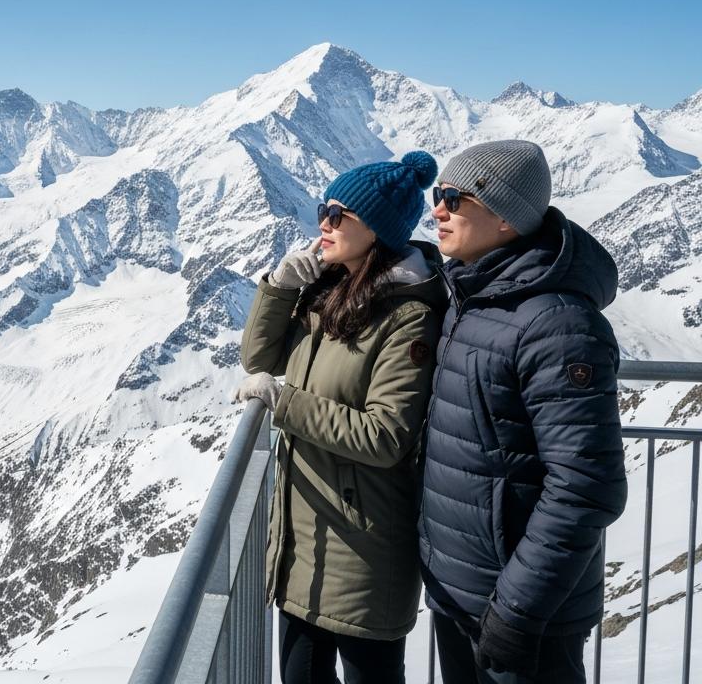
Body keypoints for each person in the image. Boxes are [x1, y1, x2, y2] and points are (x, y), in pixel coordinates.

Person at [420, 139, 628, 683]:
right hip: (465, 594)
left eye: (453, 198)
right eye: (436, 194)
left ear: (506, 219)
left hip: (520, 615)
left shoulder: (557, 324)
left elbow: (586, 485)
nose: (436, 209)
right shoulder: (476, 295)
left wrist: (516, 613)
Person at [235, 150, 447, 684]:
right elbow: (261, 360)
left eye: (338, 214)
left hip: (363, 546)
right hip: (305, 539)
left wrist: (283, 405)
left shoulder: (407, 317)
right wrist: (281, 287)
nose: (322, 224)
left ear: (375, 230)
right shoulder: (331, 294)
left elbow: (385, 435)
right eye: (322, 209)